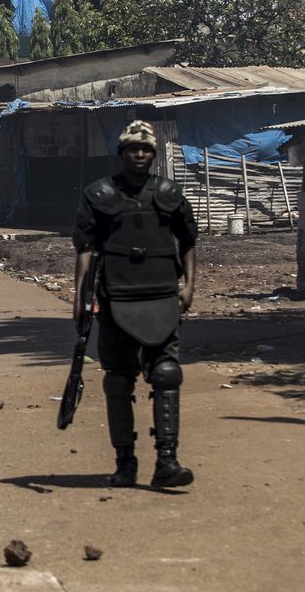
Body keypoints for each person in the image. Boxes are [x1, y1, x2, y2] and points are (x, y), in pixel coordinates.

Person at [73, 120, 197, 489]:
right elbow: (85, 248)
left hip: (161, 297)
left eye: (146, 150)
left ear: (154, 155)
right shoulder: (99, 194)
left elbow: (188, 241)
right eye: (132, 150)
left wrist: (189, 285)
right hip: (116, 300)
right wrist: (80, 298)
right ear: (122, 153)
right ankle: (125, 464)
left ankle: (167, 462)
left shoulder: (170, 194)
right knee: (118, 381)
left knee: (166, 374)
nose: (140, 155)